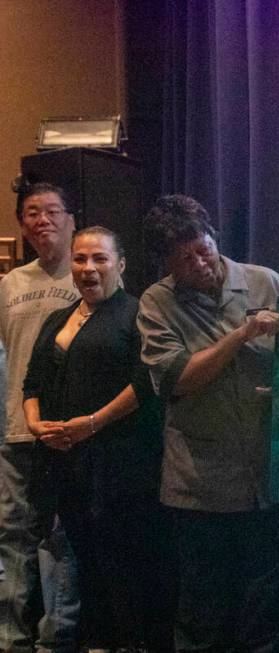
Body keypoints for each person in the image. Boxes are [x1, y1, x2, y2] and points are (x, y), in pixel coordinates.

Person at [136, 195, 279, 653]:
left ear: (213, 236)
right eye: (184, 259)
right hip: (201, 487)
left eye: (202, 248)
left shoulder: (265, 282)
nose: (199, 262)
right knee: (203, 616)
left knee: (266, 613)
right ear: (166, 264)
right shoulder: (157, 303)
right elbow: (179, 380)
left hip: (269, 477)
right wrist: (241, 335)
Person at [22, 226, 174, 653]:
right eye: (80, 259)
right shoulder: (58, 317)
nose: (89, 268)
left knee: (126, 562)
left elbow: (145, 380)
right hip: (65, 465)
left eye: (99, 259)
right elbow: (32, 383)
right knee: (87, 562)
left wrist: (92, 422)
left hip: (122, 464)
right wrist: (36, 425)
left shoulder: (138, 312)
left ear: (120, 265)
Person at [0, 183, 80, 653]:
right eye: (32, 213)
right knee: (13, 537)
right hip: (15, 432)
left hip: (71, 433)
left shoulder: (89, 273)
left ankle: (59, 636)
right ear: (22, 224)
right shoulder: (9, 285)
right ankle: (11, 637)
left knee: (64, 539)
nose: (42, 219)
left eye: (53, 211)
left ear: (71, 220)